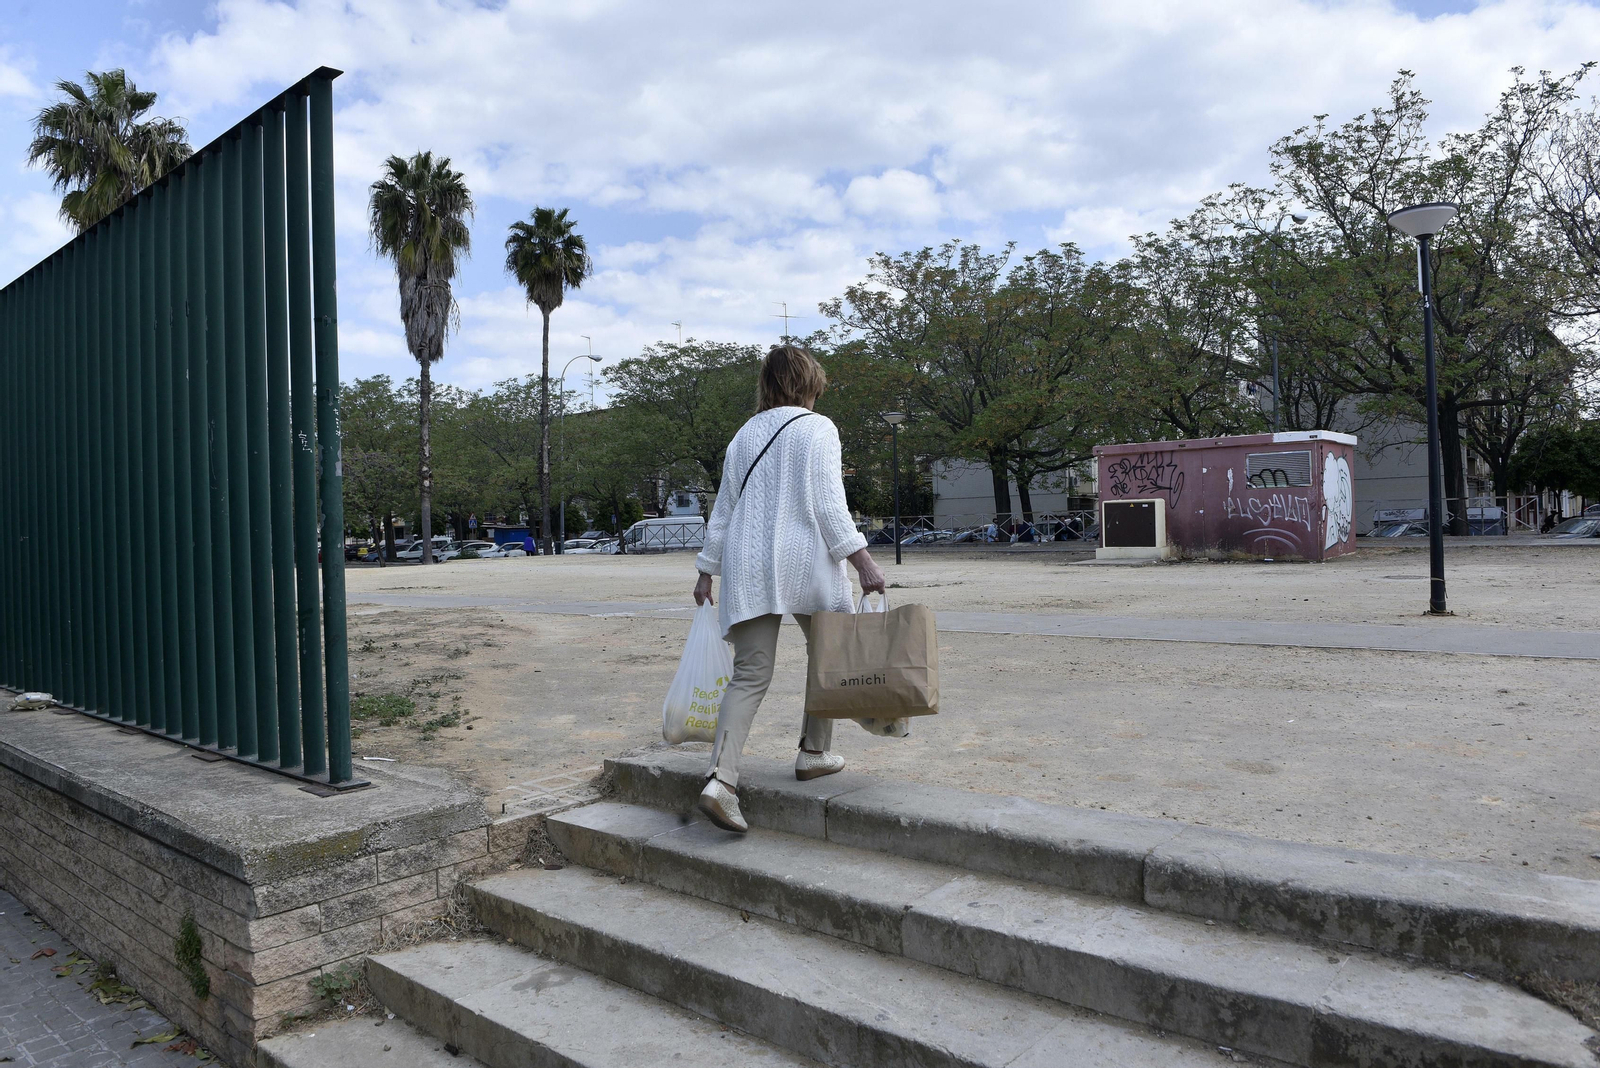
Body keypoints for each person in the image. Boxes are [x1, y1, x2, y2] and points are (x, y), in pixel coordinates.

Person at [692, 344, 886, 833]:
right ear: (808, 383)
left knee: (750, 674)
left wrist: (706, 571)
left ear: (768, 384)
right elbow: (828, 502)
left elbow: (723, 510)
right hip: (805, 562)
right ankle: (813, 753)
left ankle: (720, 781)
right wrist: (863, 561)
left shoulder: (743, 435)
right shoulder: (818, 428)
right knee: (831, 657)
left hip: (747, 562)